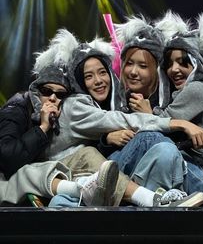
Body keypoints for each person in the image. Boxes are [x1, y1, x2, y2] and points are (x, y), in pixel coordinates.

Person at [34, 28, 203, 207]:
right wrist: (107, 139)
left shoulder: (170, 96)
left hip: (132, 176)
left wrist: (150, 115)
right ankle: (158, 201)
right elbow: (113, 122)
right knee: (151, 139)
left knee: (163, 149)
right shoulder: (79, 104)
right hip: (79, 175)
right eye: (88, 76)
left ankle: (163, 200)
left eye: (102, 72)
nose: (99, 80)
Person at [135, 11, 203, 215]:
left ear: (197, 63)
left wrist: (146, 112)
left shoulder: (197, 89)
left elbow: (160, 123)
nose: (174, 69)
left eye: (183, 62)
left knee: (156, 147)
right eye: (169, 63)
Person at [0, 64, 119, 206]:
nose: (52, 98)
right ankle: (81, 189)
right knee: (30, 171)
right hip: (6, 181)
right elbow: (7, 158)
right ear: (35, 91)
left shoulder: (61, 117)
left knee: (85, 154)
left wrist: (105, 138)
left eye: (60, 94)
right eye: (46, 91)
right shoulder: (17, 108)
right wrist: (42, 128)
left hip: (35, 187)